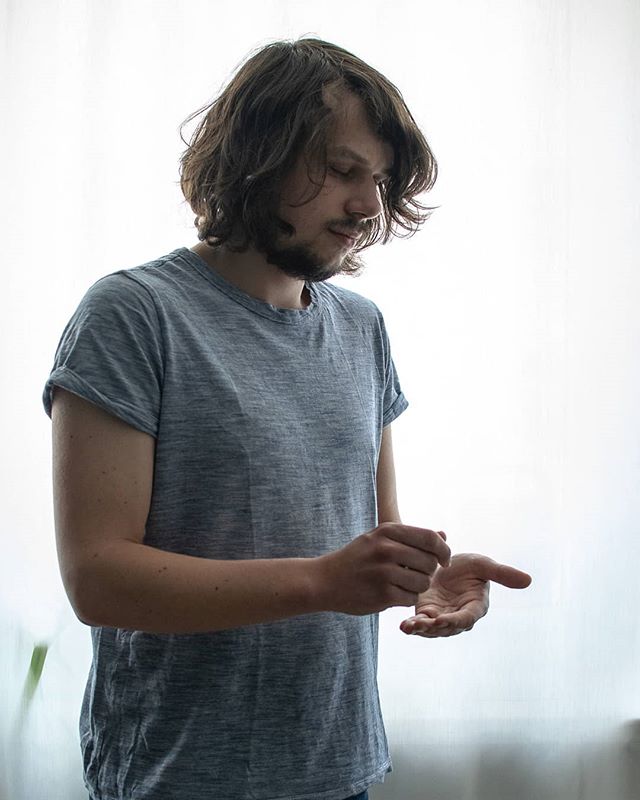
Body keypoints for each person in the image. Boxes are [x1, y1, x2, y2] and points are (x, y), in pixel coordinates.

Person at [42, 37, 532, 800]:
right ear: (257, 155)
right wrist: (323, 581)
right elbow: (99, 579)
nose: (368, 206)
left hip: (340, 769)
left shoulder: (363, 327)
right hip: (179, 778)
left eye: (379, 181)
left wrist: (424, 577)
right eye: (343, 170)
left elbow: (368, 537)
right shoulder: (134, 315)